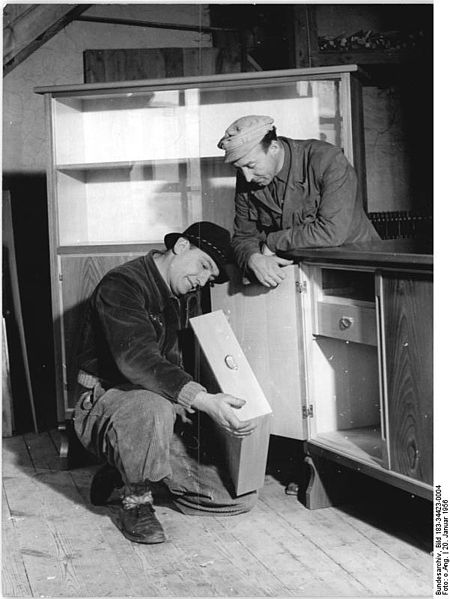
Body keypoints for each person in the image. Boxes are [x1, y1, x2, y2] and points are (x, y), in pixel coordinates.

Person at [73, 222, 257, 545]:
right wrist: (202, 400)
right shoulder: (122, 285)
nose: (202, 281)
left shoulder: (179, 294)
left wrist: (192, 411)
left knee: (235, 498)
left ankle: (125, 469)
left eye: (210, 277)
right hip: (105, 402)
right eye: (203, 266)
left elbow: (175, 366)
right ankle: (137, 499)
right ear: (182, 247)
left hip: (154, 411)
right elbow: (137, 360)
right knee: (151, 403)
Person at [217, 115, 380, 288]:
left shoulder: (327, 160)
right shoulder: (248, 176)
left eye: (251, 166)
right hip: (304, 276)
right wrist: (253, 258)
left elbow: (332, 231)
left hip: (358, 270)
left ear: (273, 147)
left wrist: (272, 242)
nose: (247, 178)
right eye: (239, 169)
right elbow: (243, 236)